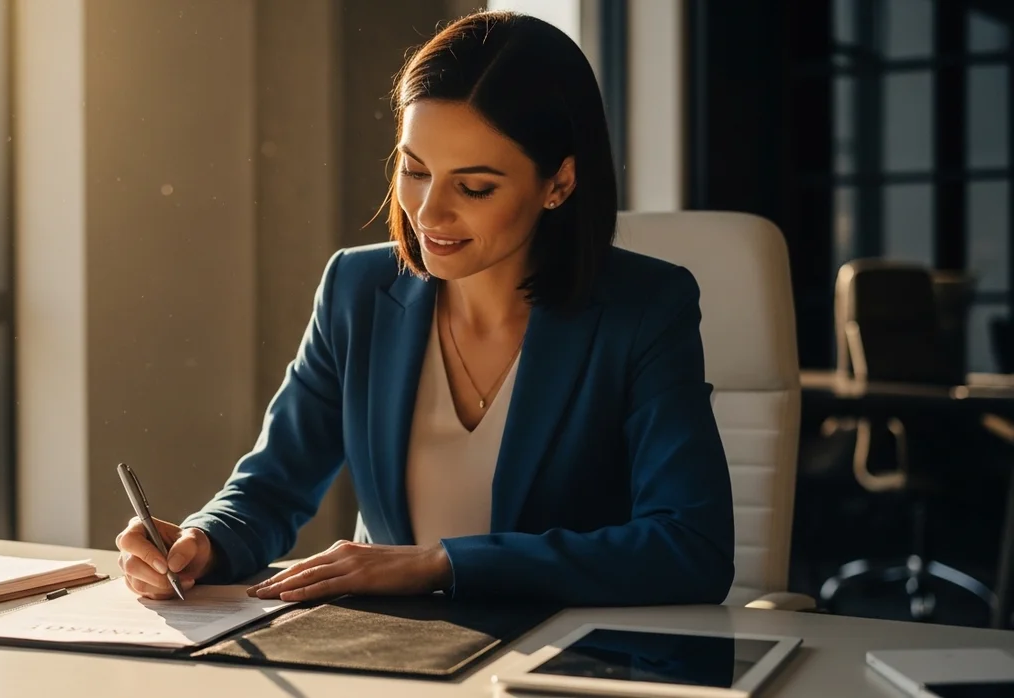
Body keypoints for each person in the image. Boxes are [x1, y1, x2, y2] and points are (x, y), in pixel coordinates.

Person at [116, 10, 734, 607]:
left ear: (560, 183)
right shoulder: (356, 289)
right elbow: (270, 488)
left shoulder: (645, 310)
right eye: (414, 171)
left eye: (474, 187)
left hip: (562, 654)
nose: (430, 213)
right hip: (390, 652)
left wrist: (442, 564)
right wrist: (202, 542)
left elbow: (691, 547)